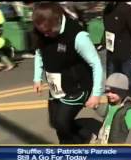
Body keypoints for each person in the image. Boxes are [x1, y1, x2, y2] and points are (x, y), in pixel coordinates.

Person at [32, 2, 104, 144]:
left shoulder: (77, 36)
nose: (45, 35)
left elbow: (96, 63)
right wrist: (37, 77)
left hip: (77, 86)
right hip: (56, 86)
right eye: (42, 32)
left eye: (48, 31)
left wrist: (96, 94)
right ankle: (84, 134)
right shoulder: (43, 33)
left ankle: (75, 150)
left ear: (57, 20)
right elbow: (39, 53)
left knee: (62, 123)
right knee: (55, 123)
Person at [91, 73, 131, 144]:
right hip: (106, 141)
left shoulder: (128, 111)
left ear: (123, 92)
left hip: (119, 146)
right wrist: (95, 106)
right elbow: (103, 113)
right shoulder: (111, 105)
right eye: (107, 91)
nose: (109, 94)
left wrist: (126, 148)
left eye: (113, 92)